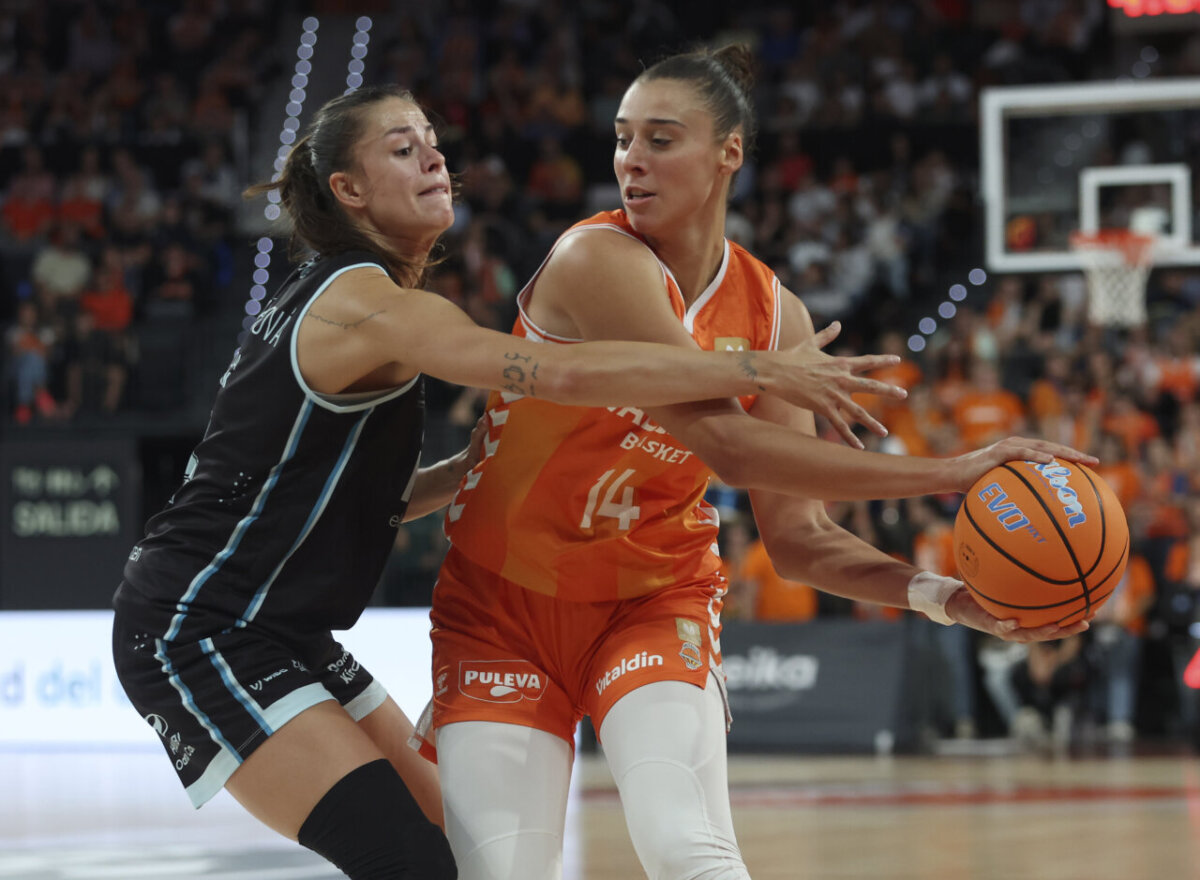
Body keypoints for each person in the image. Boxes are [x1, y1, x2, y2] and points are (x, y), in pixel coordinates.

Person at [109, 84, 912, 880]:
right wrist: (751, 366)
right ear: (348, 192)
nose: (434, 156)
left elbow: (347, 492)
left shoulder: (356, 294)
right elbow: (558, 373)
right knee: (410, 865)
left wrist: (473, 471)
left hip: (279, 626)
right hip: (198, 626)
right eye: (402, 148)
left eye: (432, 139)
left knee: (461, 862)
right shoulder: (372, 305)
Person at [422, 46, 1097, 880]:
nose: (632, 159)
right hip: (501, 608)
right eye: (625, 138)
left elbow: (799, 539)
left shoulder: (778, 316)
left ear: (729, 152)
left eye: (662, 139)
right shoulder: (593, 260)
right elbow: (729, 448)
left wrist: (945, 597)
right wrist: (955, 472)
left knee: (687, 850)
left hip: (650, 599)